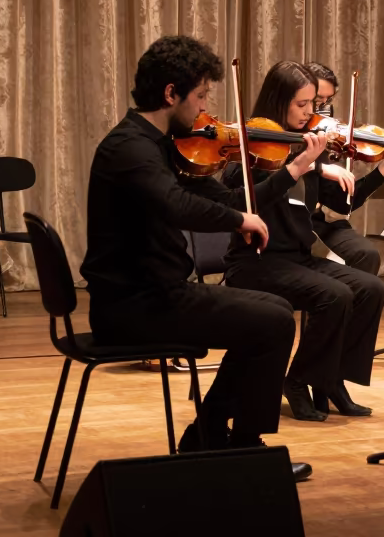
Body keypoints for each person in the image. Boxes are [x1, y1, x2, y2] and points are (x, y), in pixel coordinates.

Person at [80, 36, 320, 480]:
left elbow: (229, 197)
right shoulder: (130, 149)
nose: (205, 108)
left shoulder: (166, 145)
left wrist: (285, 176)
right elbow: (177, 205)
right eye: (202, 96)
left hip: (158, 294)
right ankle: (240, 445)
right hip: (135, 305)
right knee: (274, 320)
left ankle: (210, 434)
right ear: (171, 94)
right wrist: (237, 220)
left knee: (272, 313)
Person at [223, 61, 384, 420]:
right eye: (301, 104)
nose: (310, 112)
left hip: (297, 259)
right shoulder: (250, 148)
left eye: (313, 104)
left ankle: (330, 381)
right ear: (278, 101)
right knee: (335, 294)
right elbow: (237, 200)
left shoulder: (307, 146)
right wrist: (300, 166)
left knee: (370, 288)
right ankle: (298, 380)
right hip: (257, 261)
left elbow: (343, 200)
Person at [305, 61, 384, 275]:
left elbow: (342, 205)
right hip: (298, 221)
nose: (321, 108)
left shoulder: (330, 135)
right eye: (316, 100)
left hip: (326, 222)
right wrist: (316, 166)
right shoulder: (287, 132)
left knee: (367, 255)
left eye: (327, 100)